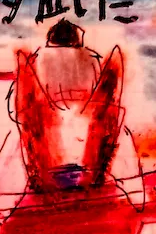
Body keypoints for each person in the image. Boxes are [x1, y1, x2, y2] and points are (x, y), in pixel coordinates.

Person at [10, 20, 143, 203]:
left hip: (53, 126)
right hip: (86, 123)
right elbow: (98, 91)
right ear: (76, 38)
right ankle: (132, 193)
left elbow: (36, 97)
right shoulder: (90, 57)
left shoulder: (41, 57)